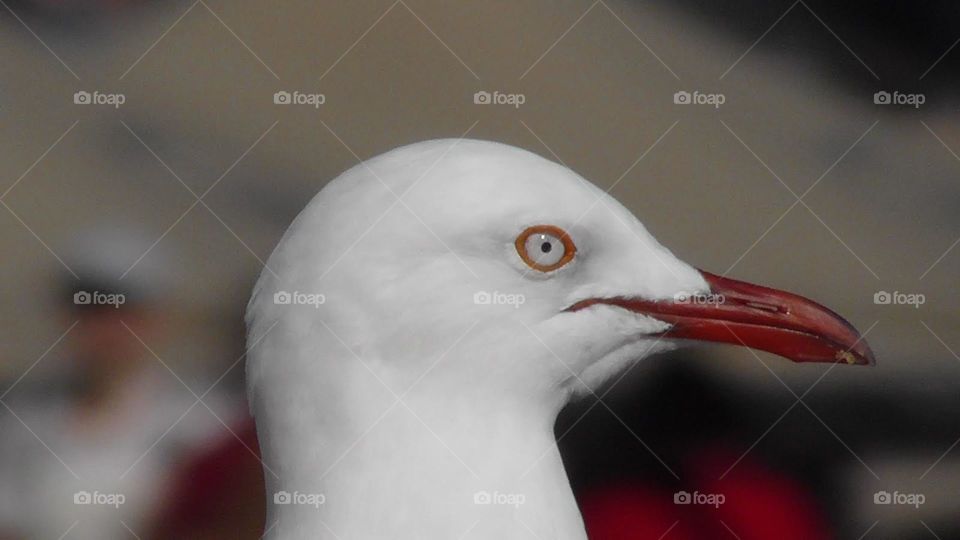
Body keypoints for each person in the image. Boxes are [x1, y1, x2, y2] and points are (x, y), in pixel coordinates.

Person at [0, 225, 234, 539]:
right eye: (91, 310)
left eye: (125, 310)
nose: (107, 329)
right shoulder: (20, 418)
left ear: (160, 318)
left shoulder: (207, 428)